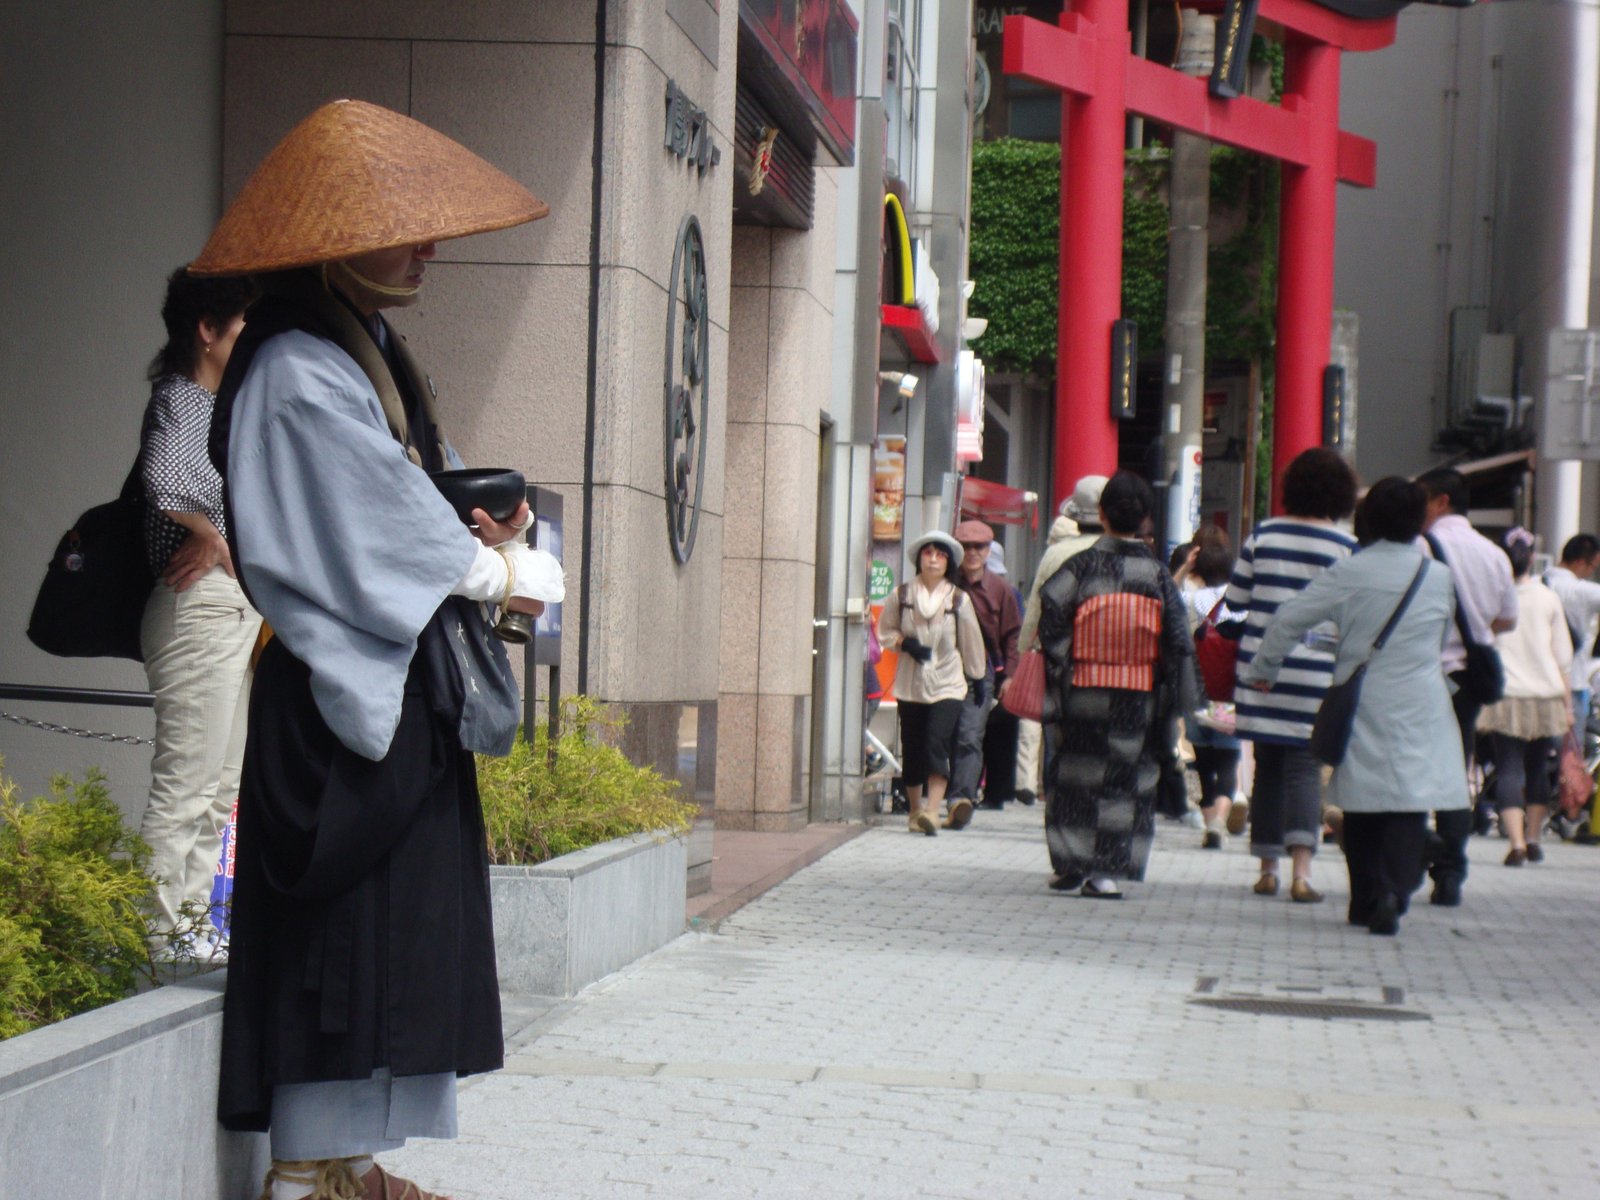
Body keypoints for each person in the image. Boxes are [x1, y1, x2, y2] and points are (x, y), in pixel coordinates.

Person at [192, 100, 563, 1200]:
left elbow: (411, 494)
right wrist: (497, 571)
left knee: (398, 925)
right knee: (344, 930)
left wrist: (490, 538)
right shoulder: (298, 365)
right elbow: (376, 518)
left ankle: (350, 1161)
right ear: (338, 240)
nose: (429, 246)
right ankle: (306, 1172)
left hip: (384, 676)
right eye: (406, 228)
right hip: (336, 689)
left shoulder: (359, 345)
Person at [1244, 478, 1465, 935]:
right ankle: (1395, 891)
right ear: (1419, 521)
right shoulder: (1439, 577)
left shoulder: (1352, 570)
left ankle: (1365, 897)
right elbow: (1439, 641)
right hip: (1423, 699)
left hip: (1364, 696)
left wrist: (1265, 667)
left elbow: (1288, 617)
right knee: (1409, 801)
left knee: (1363, 800)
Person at [138, 267, 261, 961]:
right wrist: (213, 537)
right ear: (207, 331)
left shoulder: (215, 408)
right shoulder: (181, 398)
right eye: (240, 325)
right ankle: (156, 941)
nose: (246, 339)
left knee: (217, 790)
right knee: (187, 785)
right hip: (198, 610)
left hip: (225, 611)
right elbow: (163, 481)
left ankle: (186, 931)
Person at [1037, 471, 1197, 898]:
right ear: (1144, 519)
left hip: (1084, 688)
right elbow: (1178, 638)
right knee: (1126, 780)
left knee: (1075, 774)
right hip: (1137, 691)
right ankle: (1105, 872)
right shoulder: (1157, 575)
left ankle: (1071, 859)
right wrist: (1167, 684)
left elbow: (1052, 613)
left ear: (1102, 515)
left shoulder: (1083, 566)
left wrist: (1064, 664)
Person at [1226, 447, 1359, 904]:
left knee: (1267, 769)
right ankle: (1302, 872)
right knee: (1306, 768)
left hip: (1263, 671)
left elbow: (1234, 602)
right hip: (1317, 675)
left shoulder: (1264, 535)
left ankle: (1267, 868)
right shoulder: (1346, 547)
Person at [1416, 467, 1518, 907]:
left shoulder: (1419, 546)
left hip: (1418, 674)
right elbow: (1507, 618)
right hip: (1465, 679)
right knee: (1454, 773)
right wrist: (1475, 624)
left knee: (1408, 769)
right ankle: (1451, 870)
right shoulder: (1493, 553)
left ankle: (1411, 852)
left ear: (1440, 501)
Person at [877, 529, 987, 834]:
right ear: (919, 559)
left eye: (940, 554)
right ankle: (916, 811)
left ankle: (932, 809)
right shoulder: (901, 596)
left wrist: (977, 678)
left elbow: (971, 641)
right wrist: (905, 643)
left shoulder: (958, 599)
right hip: (910, 683)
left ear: (949, 562)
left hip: (948, 682)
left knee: (936, 743)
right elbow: (884, 631)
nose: (934, 559)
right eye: (928, 553)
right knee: (912, 747)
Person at [1477, 529, 1573, 865]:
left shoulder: (1493, 597)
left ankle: (1515, 844)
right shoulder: (1548, 598)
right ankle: (1533, 838)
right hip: (1545, 695)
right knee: (1537, 769)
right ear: (1532, 558)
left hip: (1507, 694)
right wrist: (1569, 704)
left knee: (1508, 769)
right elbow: (1563, 655)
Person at [1015, 477, 1108, 806]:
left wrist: (1025, 649)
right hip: (1111, 664)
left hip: (1061, 660)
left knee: (1060, 734)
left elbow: (1036, 608)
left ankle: (1058, 801)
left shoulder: (1056, 554)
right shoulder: (1124, 553)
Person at [949, 519, 1022, 811]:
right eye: (966, 546)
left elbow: (1013, 635)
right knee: (942, 735)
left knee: (969, 735)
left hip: (981, 671)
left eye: (979, 547)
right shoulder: (946, 582)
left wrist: (1010, 676)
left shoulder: (1000, 589)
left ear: (989, 550)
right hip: (943, 666)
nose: (972, 552)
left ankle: (961, 797)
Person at [1184, 526, 1244, 849]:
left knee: (1204, 764)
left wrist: (1182, 568)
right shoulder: (1242, 605)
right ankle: (1219, 821)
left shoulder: (1190, 600)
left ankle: (1209, 822)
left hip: (1196, 693)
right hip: (1229, 696)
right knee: (1228, 762)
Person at [1542, 533, 1600, 728]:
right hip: (1573, 680)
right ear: (1580, 562)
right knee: (1570, 753)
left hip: (1536, 681)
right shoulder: (1584, 591)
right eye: (1593, 567)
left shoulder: (1534, 583)